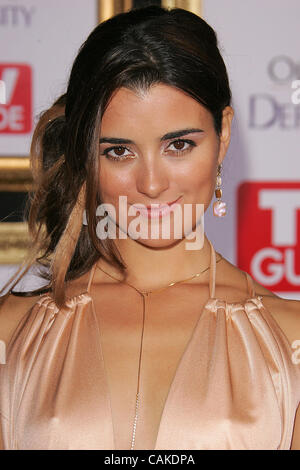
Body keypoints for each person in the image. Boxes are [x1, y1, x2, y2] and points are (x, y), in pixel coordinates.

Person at [0, 5, 299, 451]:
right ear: (86, 153)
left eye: (179, 145)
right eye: (119, 152)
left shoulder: (290, 345)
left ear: (224, 136)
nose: (153, 184)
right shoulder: (11, 337)